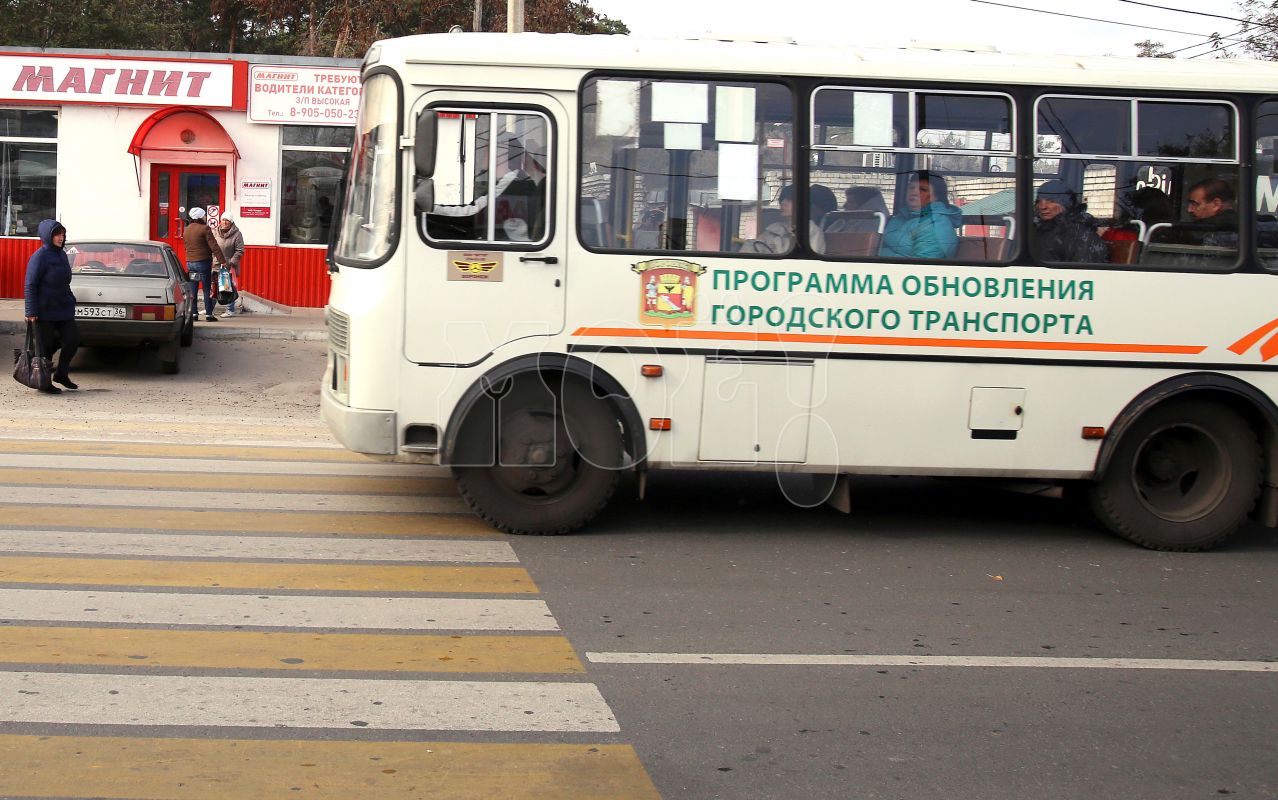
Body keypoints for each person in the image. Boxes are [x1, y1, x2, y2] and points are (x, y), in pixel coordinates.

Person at [430, 136, 547, 241]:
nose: (483, 156)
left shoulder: (514, 182)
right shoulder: (527, 182)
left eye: (489, 151)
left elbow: (471, 214)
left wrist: (429, 210)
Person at [23, 219, 80, 393]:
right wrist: (30, 311)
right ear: (48, 236)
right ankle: (44, 384)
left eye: (62, 234)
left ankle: (61, 374)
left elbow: (64, 280)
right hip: (44, 311)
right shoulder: (39, 257)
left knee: (73, 339)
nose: (61, 237)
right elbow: (30, 284)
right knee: (45, 348)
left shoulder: (62, 254)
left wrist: (70, 297)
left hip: (63, 309)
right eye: (57, 234)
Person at [880, 171, 961, 259]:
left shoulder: (934, 225)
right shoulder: (902, 217)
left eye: (923, 189)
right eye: (911, 187)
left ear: (936, 197)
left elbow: (922, 267)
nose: (914, 193)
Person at [1031, 180, 1108, 263]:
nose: (1043, 206)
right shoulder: (1036, 229)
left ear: (1066, 203)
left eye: (1051, 201)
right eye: (1039, 201)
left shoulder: (1081, 234)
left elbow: (1085, 270)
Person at [741, 184, 829, 254]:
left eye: (789, 200)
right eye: (782, 200)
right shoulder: (774, 229)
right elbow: (754, 248)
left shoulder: (812, 231)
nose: (783, 203)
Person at [184, 207, 226, 322]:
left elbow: (186, 246)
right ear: (200, 217)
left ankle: (194, 314)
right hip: (203, 263)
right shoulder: (205, 228)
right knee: (207, 289)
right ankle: (208, 315)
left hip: (190, 263)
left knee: (193, 290)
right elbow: (214, 246)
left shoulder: (186, 229)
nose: (206, 217)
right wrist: (223, 261)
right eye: (204, 215)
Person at [1182, 178, 1239, 248]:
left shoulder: (1216, 233)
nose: (1189, 210)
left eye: (1195, 204)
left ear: (1216, 204)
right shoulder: (1246, 227)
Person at [213, 213, 245, 317]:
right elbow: (211, 246)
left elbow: (240, 250)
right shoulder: (215, 232)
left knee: (228, 287)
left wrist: (231, 262)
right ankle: (210, 308)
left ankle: (230, 310)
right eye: (223, 220)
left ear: (231, 222)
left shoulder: (237, 234)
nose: (225, 222)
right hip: (216, 263)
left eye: (227, 220)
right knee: (213, 287)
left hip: (229, 265)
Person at [825, 186, 890, 233]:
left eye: (850, 202)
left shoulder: (870, 224)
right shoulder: (842, 221)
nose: (844, 205)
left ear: (864, 206)